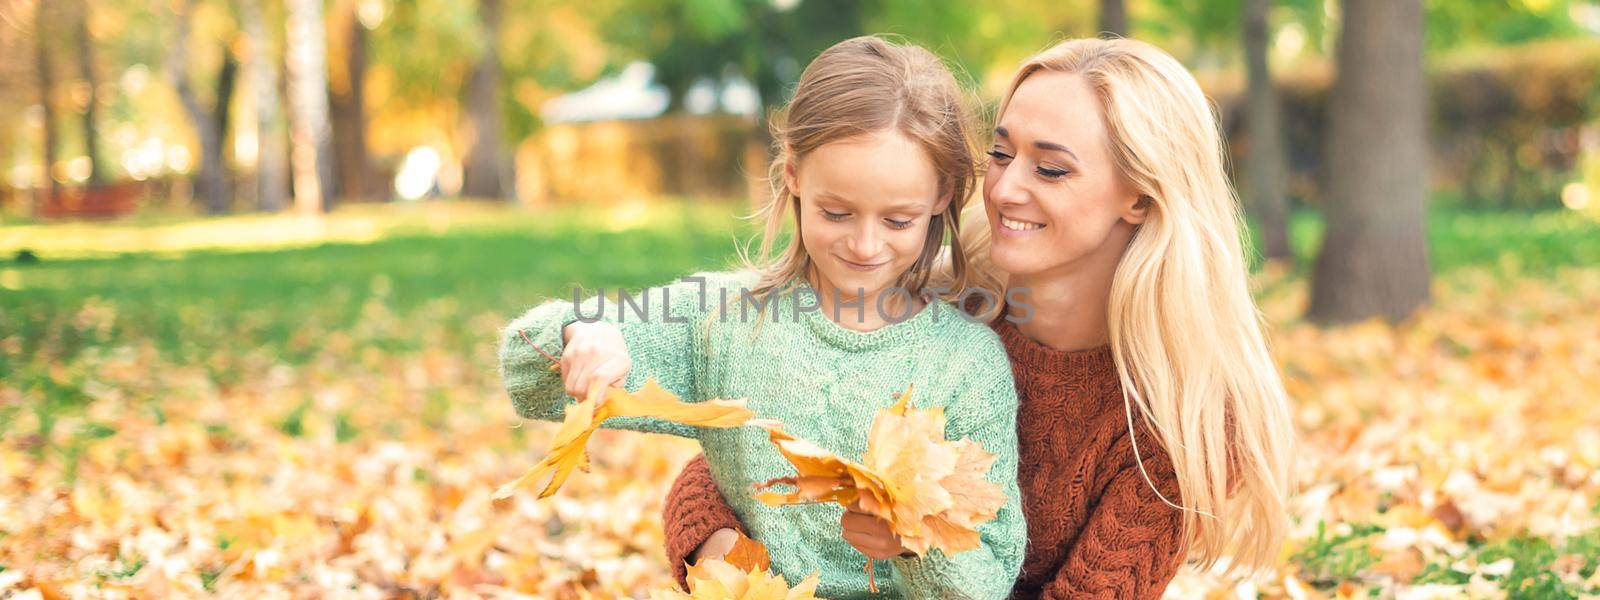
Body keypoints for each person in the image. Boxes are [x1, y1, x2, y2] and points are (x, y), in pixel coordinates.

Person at [662, 37, 1297, 599]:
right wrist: (725, 555)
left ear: (1139, 195)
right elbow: (737, 466)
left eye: (1050, 168)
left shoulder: (1182, 419)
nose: (1005, 189)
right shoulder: (932, 310)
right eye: (1000, 154)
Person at [499, 35, 1027, 598]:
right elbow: (525, 373)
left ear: (943, 195)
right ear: (794, 175)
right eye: (837, 212)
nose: (866, 244)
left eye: (898, 221)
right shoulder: (727, 320)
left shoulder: (968, 364)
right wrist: (585, 335)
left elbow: (987, 581)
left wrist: (912, 542)